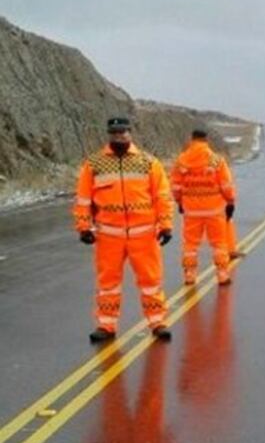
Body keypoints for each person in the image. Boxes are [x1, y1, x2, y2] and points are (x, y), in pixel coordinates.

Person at [74, 117, 174, 343]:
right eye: (115, 133)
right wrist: (83, 226)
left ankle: (157, 322)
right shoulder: (94, 164)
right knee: (107, 283)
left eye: (123, 133)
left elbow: (162, 196)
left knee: (151, 281)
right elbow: (83, 198)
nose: (119, 137)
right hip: (109, 235)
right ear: (109, 135)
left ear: (130, 133)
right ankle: (106, 325)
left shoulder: (148, 163)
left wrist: (166, 225)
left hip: (144, 234)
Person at [170, 129, 236, 285]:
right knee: (219, 243)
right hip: (214, 210)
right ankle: (222, 274)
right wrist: (231, 201)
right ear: (206, 140)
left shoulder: (181, 161)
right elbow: (226, 185)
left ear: (191, 139)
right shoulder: (216, 160)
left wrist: (179, 202)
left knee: (190, 244)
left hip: (191, 211)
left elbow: (175, 186)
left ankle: (190, 275)